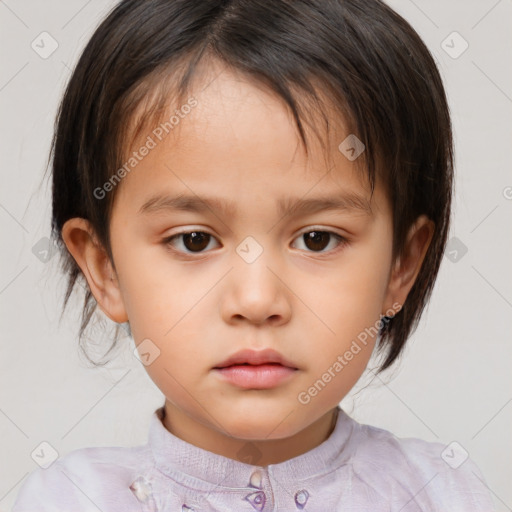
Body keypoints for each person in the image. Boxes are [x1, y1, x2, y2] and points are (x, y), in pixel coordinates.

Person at [12, 0, 495, 510]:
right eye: (194, 240)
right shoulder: (72, 500)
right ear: (104, 269)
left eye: (317, 239)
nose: (258, 299)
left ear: (401, 265)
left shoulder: (443, 493)